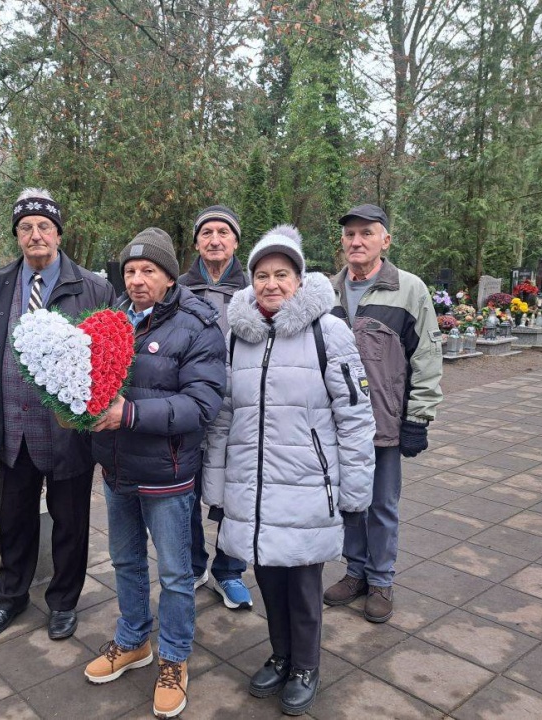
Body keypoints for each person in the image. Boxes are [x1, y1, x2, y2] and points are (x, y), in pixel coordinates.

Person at [203, 225, 376, 715]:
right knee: (269, 578)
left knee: (302, 585)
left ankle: (306, 665)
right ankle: (280, 656)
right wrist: (216, 486)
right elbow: (223, 417)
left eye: (282, 274)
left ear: (299, 280)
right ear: (251, 280)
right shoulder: (239, 337)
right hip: (252, 486)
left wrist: (355, 490)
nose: (271, 284)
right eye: (262, 275)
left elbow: (356, 414)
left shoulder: (329, 332)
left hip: (307, 485)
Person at [0, 187, 115, 642]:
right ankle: (10, 596)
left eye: (44, 226)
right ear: (17, 236)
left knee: (70, 522)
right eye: (25, 228)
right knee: (14, 519)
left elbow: (107, 357)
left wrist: (97, 413)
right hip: (12, 427)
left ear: (59, 233)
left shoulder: (92, 287)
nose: (35, 235)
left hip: (67, 432)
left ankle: (64, 602)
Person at [84, 228, 226, 720]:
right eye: (130, 271)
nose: (138, 279)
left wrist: (130, 415)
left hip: (166, 473)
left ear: (168, 277)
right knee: (124, 562)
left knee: (175, 573)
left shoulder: (198, 325)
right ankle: (132, 640)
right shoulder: (110, 321)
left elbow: (201, 404)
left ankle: (174, 658)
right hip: (118, 469)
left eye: (149, 271)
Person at [323, 203, 443, 623]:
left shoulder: (409, 289)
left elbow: (426, 355)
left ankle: (381, 579)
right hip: (337, 422)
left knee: (382, 505)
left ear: (385, 240)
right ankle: (355, 571)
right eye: (350, 234)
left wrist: (419, 416)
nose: (356, 241)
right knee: (349, 501)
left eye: (367, 233)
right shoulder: (327, 291)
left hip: (384, 420)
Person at [177, 204, 252, 610]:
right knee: (184, 489)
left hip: (239, 408)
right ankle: (192, 566)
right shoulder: (180, 290)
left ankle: (229, 570)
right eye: (206, 233)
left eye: (223, 232)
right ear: (196, 243)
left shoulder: (254, 290)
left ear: (236, 241)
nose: (215, 239)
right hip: (190, 405)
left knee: (235, 492)